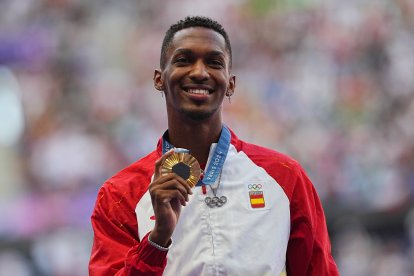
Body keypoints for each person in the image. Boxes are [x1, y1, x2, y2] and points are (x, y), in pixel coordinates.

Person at [89, 16, 339, 275]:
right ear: (159, 79)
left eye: (214, 62)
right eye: (184, 60)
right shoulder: (120, 195)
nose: (199, 72)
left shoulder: (285, 177)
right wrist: (158, 239)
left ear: (230, 83)